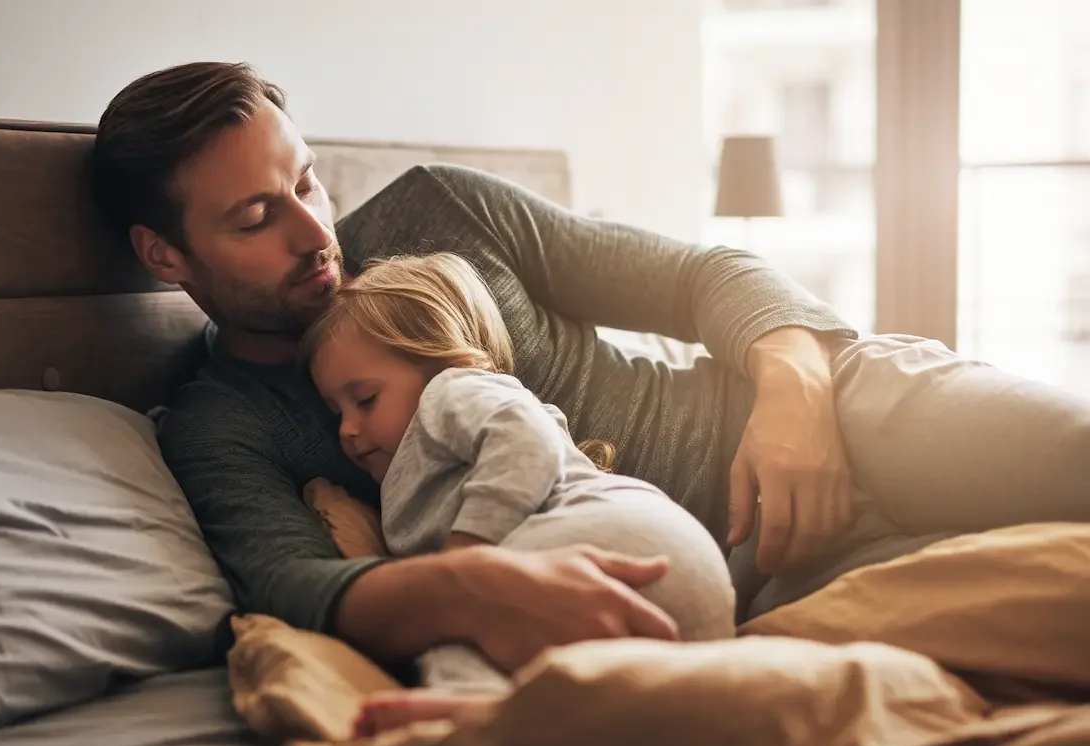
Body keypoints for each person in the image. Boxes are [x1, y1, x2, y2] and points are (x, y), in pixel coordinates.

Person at [91, 61, 1090, 687]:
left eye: (305, 180)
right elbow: (301, 586)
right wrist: (469, 590)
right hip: (759, 582)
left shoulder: (441, 212)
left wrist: (795, 400)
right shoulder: (221, 424)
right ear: (166, 256)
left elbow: (708, 273)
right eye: (257, 218)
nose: (319, 232)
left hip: (843, 411)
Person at [303, 251, 737, 692]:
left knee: (459, 630)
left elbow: (524, 441)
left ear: (444, 360)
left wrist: (469, 558)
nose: (348, 430)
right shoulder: (409, 474)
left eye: (366, 399)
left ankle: (458, 715)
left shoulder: (452, 391)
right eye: (335, 412)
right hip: (668, 584)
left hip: (618, 535)